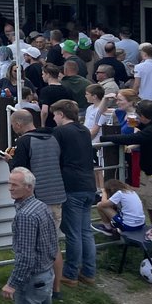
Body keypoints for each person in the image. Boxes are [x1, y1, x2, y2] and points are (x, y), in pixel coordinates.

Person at [2, 168, 63, 304]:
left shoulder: (26, 215)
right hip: (46, 274)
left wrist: (12, 283)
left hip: (32, 278)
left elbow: (25, 257)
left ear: (29, 187)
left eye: (14, 185)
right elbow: (52, 245)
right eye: (9, 183)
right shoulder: (42, 207)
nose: (10, 188)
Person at [7, 110, 67, 298]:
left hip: (38, 199)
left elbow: (20, 172)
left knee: (32, 246)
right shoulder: (53, 136)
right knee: (53, 244)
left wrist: (9, 161)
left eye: (12, 124)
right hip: (57, 195)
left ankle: (34, 284)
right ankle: (56, 288)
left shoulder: (24, 141)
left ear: (17, 124)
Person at [51, 99, 99, 286]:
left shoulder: (60, 132)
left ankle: (70, 274)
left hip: (71, 185)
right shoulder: (84, 131)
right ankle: (89, 272)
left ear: (61, 114)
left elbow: (55, 155)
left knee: (73, 233)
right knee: (85, 231)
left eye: (55, 115)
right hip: (88, 184)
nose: (54, 119)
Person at [102, 98, 152, 225]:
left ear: (143, 116)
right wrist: (136, 124)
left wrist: (105, 137)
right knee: (151, 206)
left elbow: (133, 138)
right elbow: (140, 129)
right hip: (151, 173)